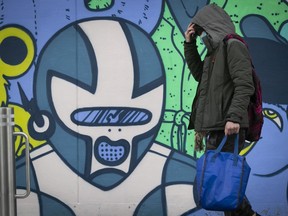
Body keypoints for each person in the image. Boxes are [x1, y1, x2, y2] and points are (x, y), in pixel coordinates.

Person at [184, 3, 261, 216]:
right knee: (222, 182)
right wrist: (189, 44)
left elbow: (245, 84)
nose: (202, 35)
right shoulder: (214, 52)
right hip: (218, 125)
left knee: (226, 182)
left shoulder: (233, 45)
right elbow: (202, 78)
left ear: (212, 25)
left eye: (203, 30)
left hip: (229, 125)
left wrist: (234, 117)